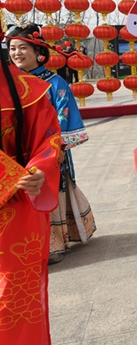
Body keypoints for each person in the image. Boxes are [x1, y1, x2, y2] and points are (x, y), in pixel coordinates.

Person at [6, 24, 94, 264]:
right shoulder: (9, 84)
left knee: (47, 190)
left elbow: (63, 118)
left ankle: (52, 244)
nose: (17, 53)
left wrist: (57, 149)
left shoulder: (55, 83)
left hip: (47, 151)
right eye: (12, 48)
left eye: (23, 48)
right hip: (16, 151)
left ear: (38, 52)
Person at [0, 26, 62, 345]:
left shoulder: (28, 89)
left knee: (15, 296)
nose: (17, 53)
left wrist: (40, 169)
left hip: (18, 203)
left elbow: (49, 138)